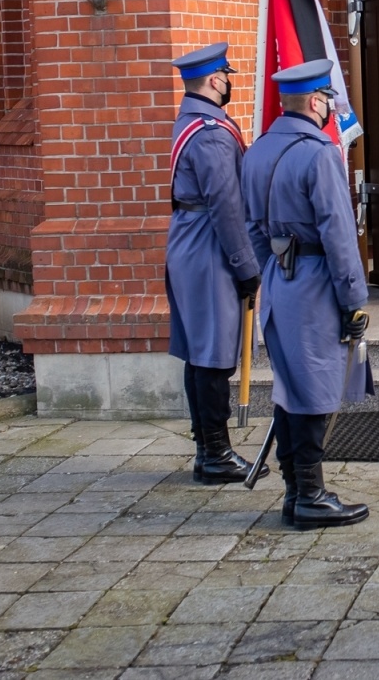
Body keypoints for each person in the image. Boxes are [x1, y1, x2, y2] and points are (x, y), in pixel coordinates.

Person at [242, 59, 370, 529]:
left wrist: (271, 271)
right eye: (330, 103)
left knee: (291, 388)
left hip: (279, 283)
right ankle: (311, 496)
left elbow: (253, 227)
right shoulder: (319, 154)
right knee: (314, 388)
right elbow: (338, 235)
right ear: (316, 102)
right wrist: (354, 298)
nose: (333, 111)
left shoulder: (256, 151)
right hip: (316, 282)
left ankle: (296, 491)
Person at [166, 43, 259, 484]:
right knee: (215, 354)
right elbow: (226, 205)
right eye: (227, 76)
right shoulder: (211, 133)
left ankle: (207, 448)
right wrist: (245, 265)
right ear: (215, 80)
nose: (230, 82)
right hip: (209, 248)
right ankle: (216, 454)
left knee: (201, 354)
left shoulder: (191, 121)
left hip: (190, 239)